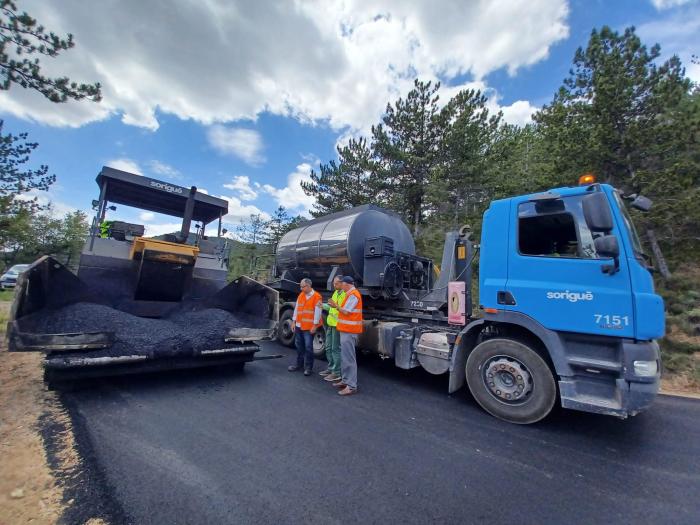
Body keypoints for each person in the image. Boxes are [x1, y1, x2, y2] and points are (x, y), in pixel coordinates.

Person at [328, 275, 363, 396]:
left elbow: (346, 311)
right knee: (345, 357)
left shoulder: (353, 295)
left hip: (349, 331)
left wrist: (335, 306)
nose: (341, 286)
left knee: (349, 359)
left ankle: (351, 386)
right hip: (345, 330)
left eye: (342, 284)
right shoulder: (350, 294)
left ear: (347, 284)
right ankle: (345, 380)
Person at [288, 278, 322, 376]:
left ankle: (308, 368)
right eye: (301, 286)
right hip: (299, 325)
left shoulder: (317, 296)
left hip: (309, 327)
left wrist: (315, 326)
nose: (301, 288)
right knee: (299, 346)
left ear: (308, 286)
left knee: (308, 348)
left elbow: (318, 313)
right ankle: (299, 365)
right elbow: (297, 309)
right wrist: (294, 322)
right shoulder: (301, 295)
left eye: (302, 287)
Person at [320, 275, 345, 383]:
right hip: (331, 324)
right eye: (334, 283)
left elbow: (343, 310)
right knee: (328, 347)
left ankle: (337, 373)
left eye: (336, 283)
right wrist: (323, 306)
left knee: (335, 349)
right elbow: (331, 307)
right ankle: (331, 368)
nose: (334, 285)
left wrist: (334, 306)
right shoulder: (336, 293)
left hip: (338, 326)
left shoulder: (344, 295)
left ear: (342, 283)